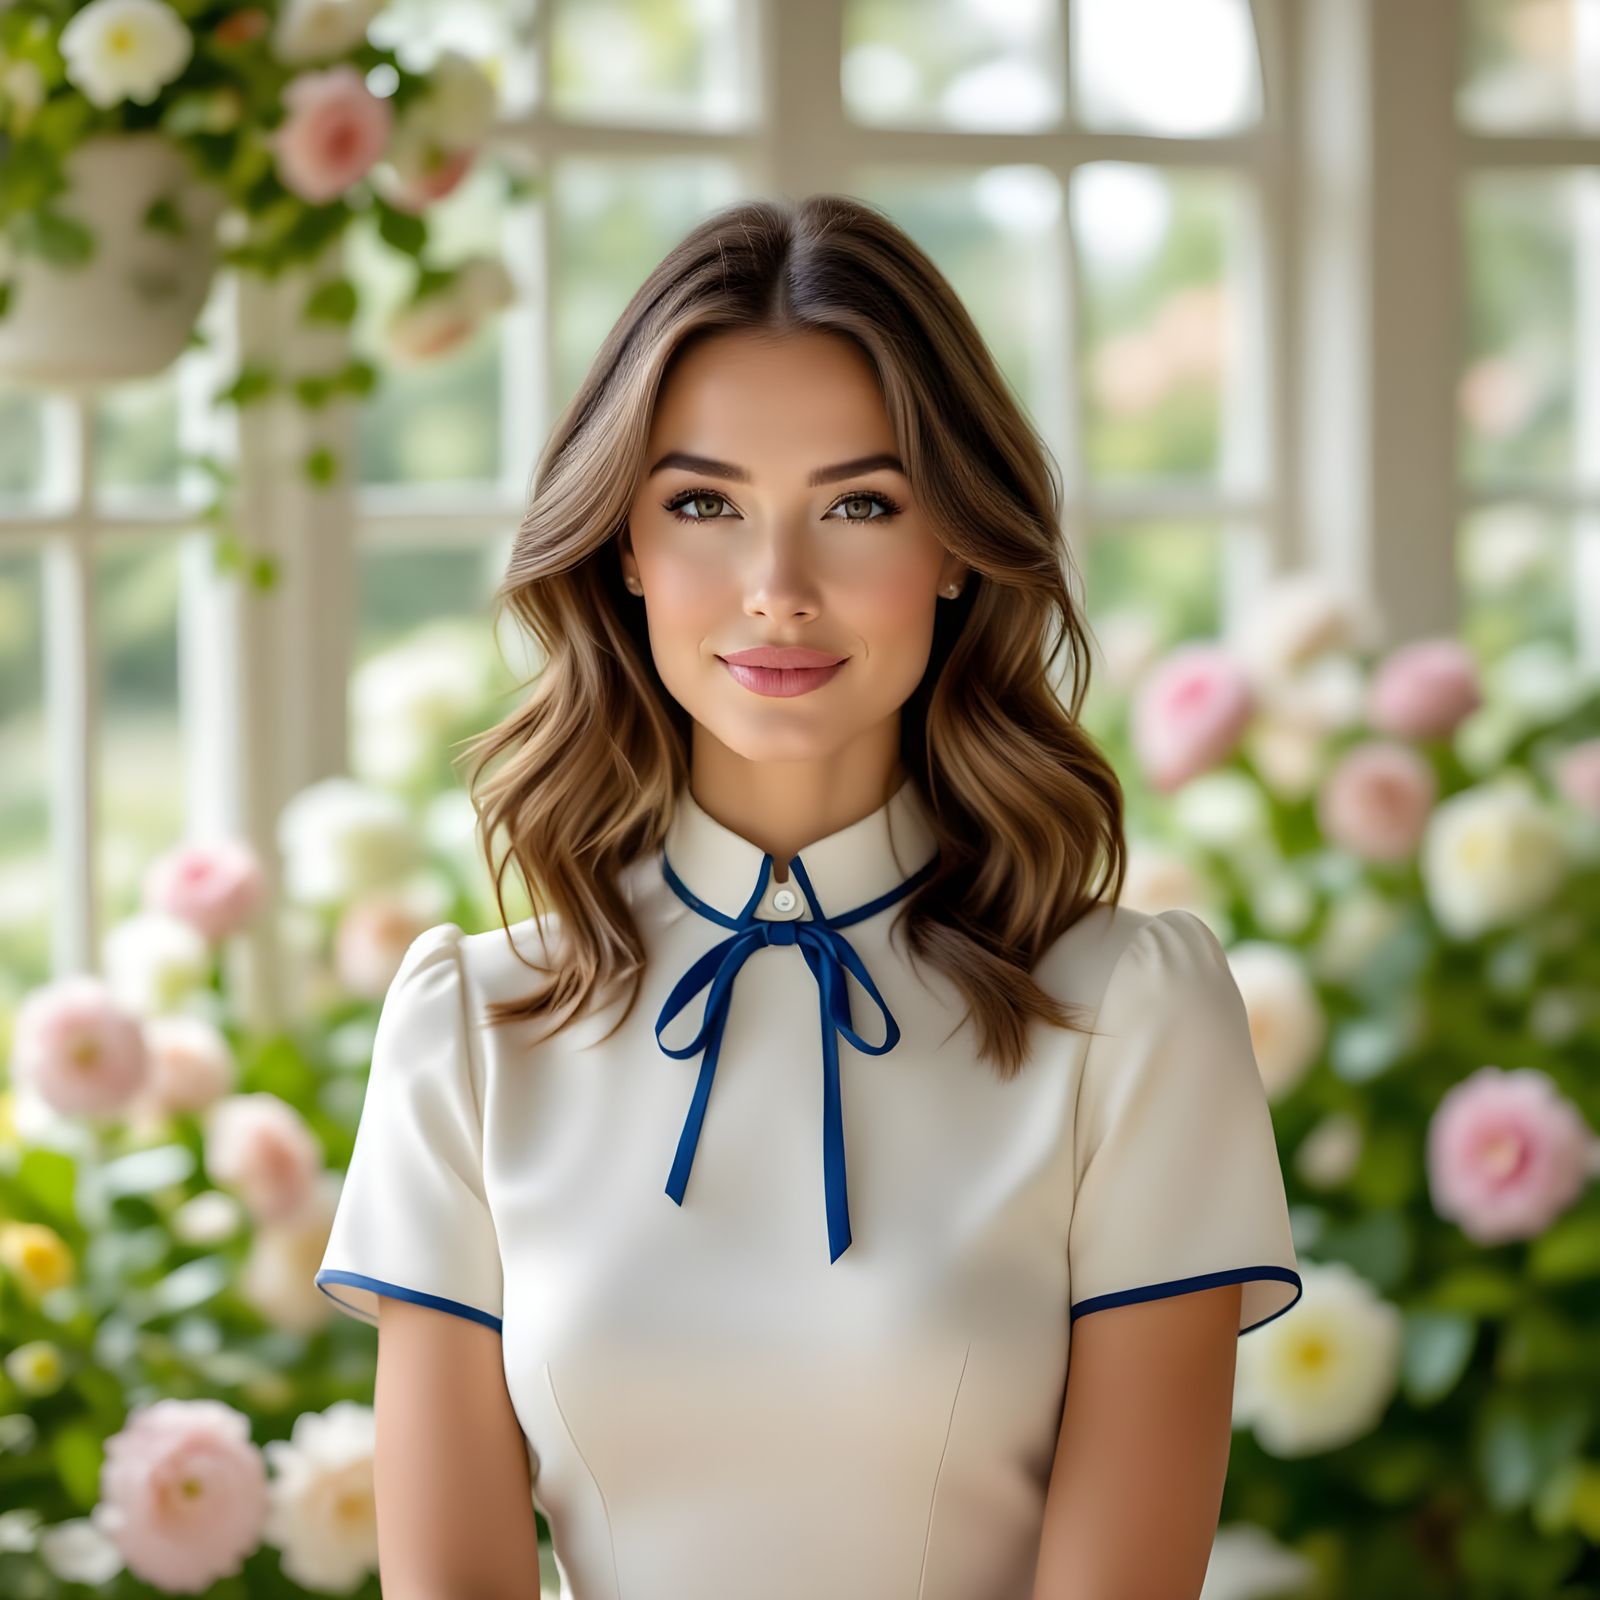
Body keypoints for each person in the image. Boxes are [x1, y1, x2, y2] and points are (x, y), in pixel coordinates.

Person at [314, 193, 1302, 1600]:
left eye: (859, 505)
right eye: (705, 505)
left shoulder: (1133, 1017)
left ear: (956, 545)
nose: (776, 589)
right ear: (626, 551)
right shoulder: (471, 1030)